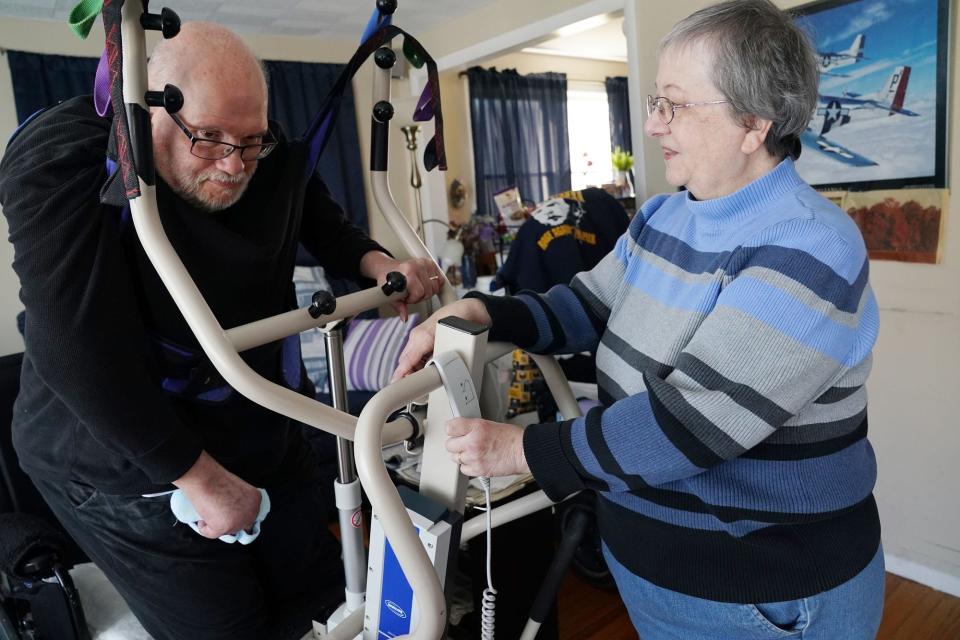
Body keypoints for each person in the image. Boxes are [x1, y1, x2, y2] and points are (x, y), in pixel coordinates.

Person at [393, 1, 884, 638]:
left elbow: (691, 425)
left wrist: (520, 450)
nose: (652, 124)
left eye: (674, 104)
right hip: (653, 571)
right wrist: (482, 311)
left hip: (761, 592)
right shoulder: (663, 217)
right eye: (656, 100)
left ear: (753, 122)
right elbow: (584, 308)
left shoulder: (812, 247)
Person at [0, 22, 443, 640]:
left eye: (250, 141)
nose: (234, 164)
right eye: (208, 140)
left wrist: (378, 263)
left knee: (325, 596)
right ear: (149, 105)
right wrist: (198, 477)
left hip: (245, 411)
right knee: (230, 625)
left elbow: (312, 210)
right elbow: (76, 352)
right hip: (108, 448)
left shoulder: (261, 147)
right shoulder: (62, 159)